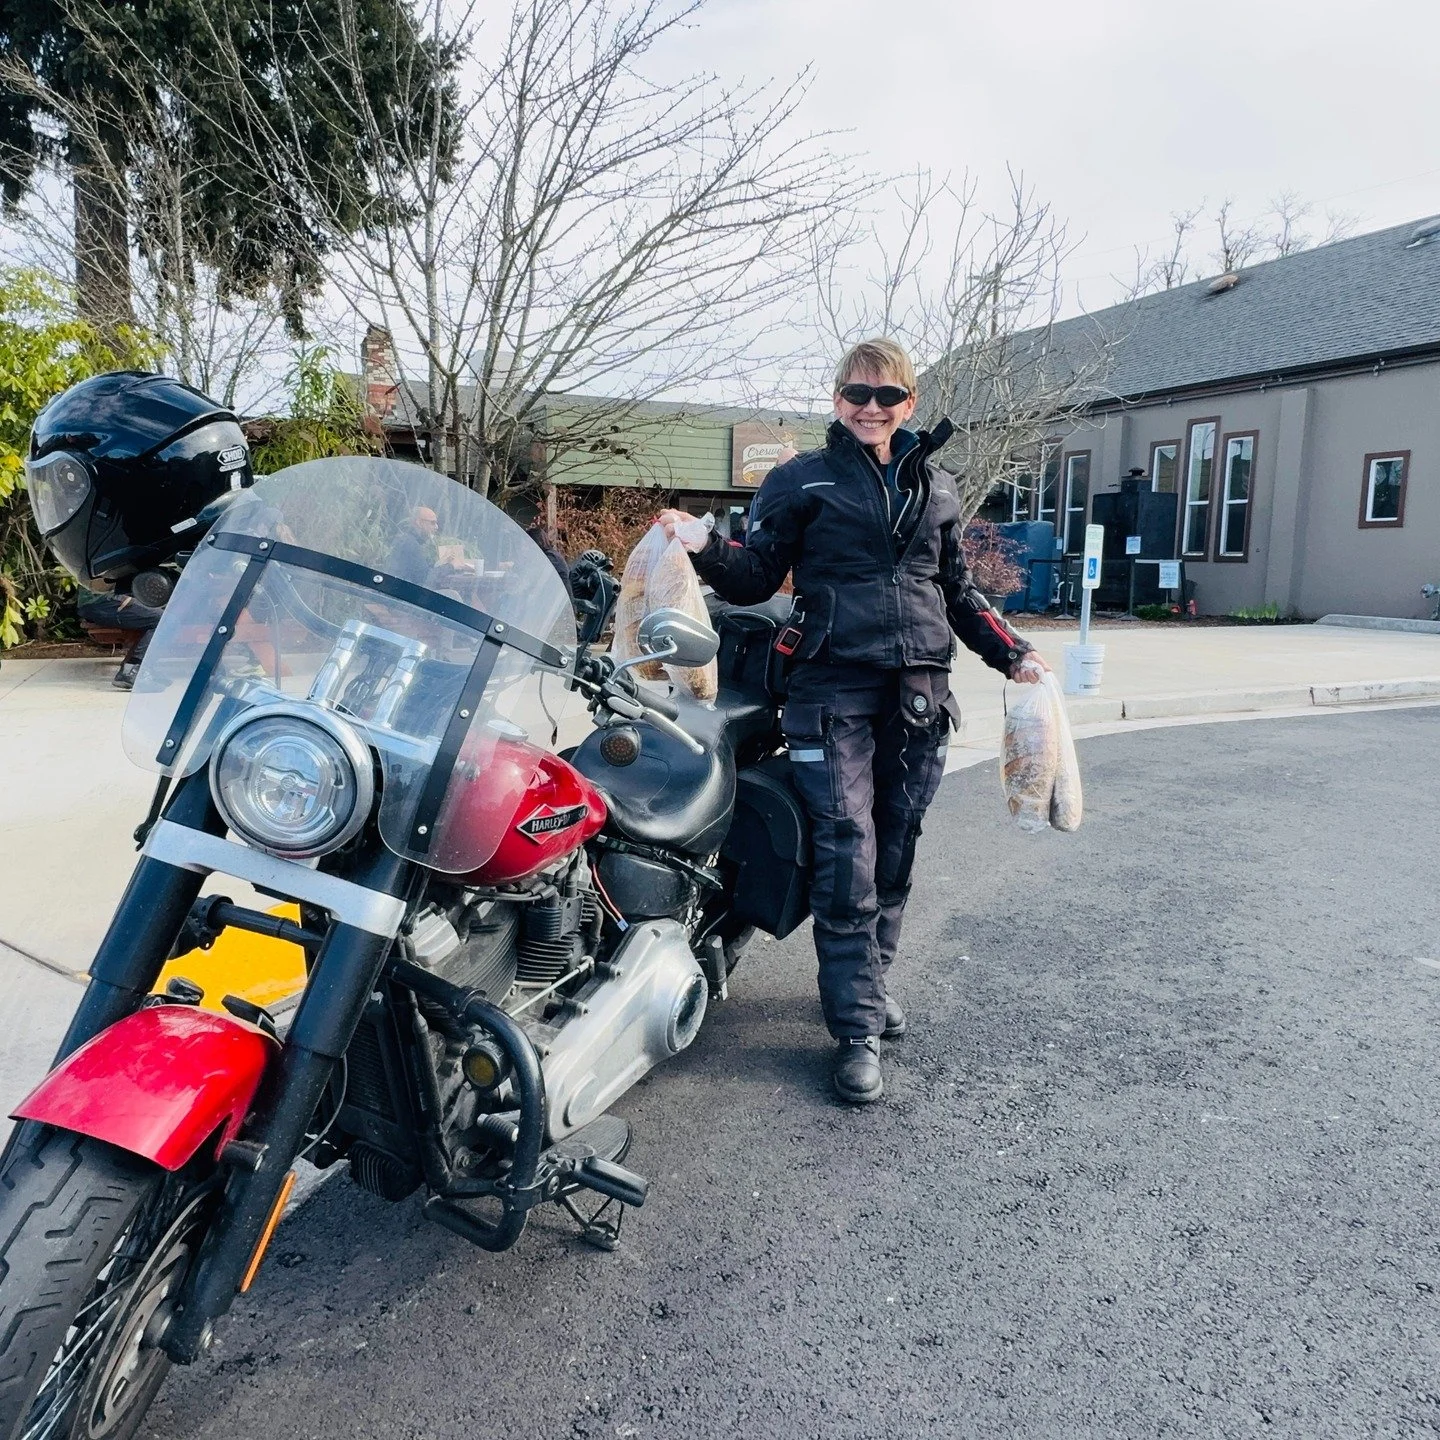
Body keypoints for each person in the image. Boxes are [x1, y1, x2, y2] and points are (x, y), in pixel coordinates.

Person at [658, 338, 1049, 1105]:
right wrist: (704, 545)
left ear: (910, 404)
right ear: (836, 399)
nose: (871, 408)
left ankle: (867, 985)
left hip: (918, 693)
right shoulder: (799, 480)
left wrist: (1015, 656)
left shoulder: (936, 484)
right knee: (846, 855)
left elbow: (958, 591)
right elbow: (757, 575)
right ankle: (856, 1030)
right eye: (856, 394)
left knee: (896, 849)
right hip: (829, 690)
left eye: (887, 396)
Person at [386, 504, 440, 585]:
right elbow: (424, 578)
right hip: (404, 591)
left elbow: (419, 570)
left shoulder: (408, 540)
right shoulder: (410, 544)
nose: (436, 527)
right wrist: (450, 567)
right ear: (419, 523)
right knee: (452, 594)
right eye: (432, 523)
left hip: (401, 587)